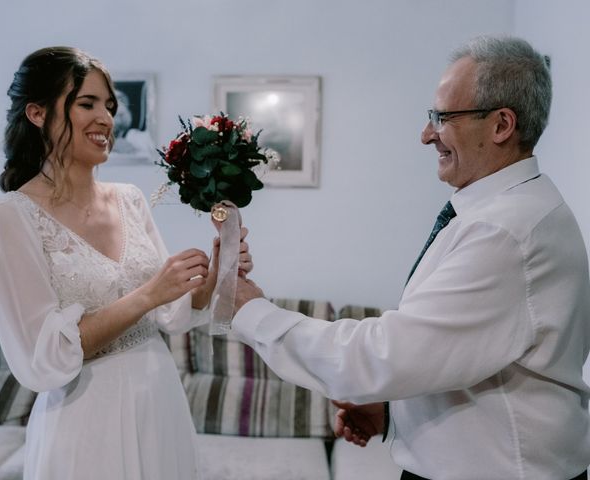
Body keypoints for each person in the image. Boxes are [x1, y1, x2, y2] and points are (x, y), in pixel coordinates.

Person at [231, 35, 590, 480]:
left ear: (501, 125)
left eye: (443, 117)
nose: (426, 136)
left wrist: (248, 311)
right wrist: (394, 412)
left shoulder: (504, 233)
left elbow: (384, 356)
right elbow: (464, 354)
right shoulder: (514, 210)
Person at [0, 46, 252, 479]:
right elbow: (42, 358)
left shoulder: (130, 199)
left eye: (109, 105)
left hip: (159, 403)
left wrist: (216, 271)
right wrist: (150, 294)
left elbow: (172, 313)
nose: (106, 118)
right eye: (86, 103)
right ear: (36, 113)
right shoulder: (11, 217)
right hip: (86, 417)